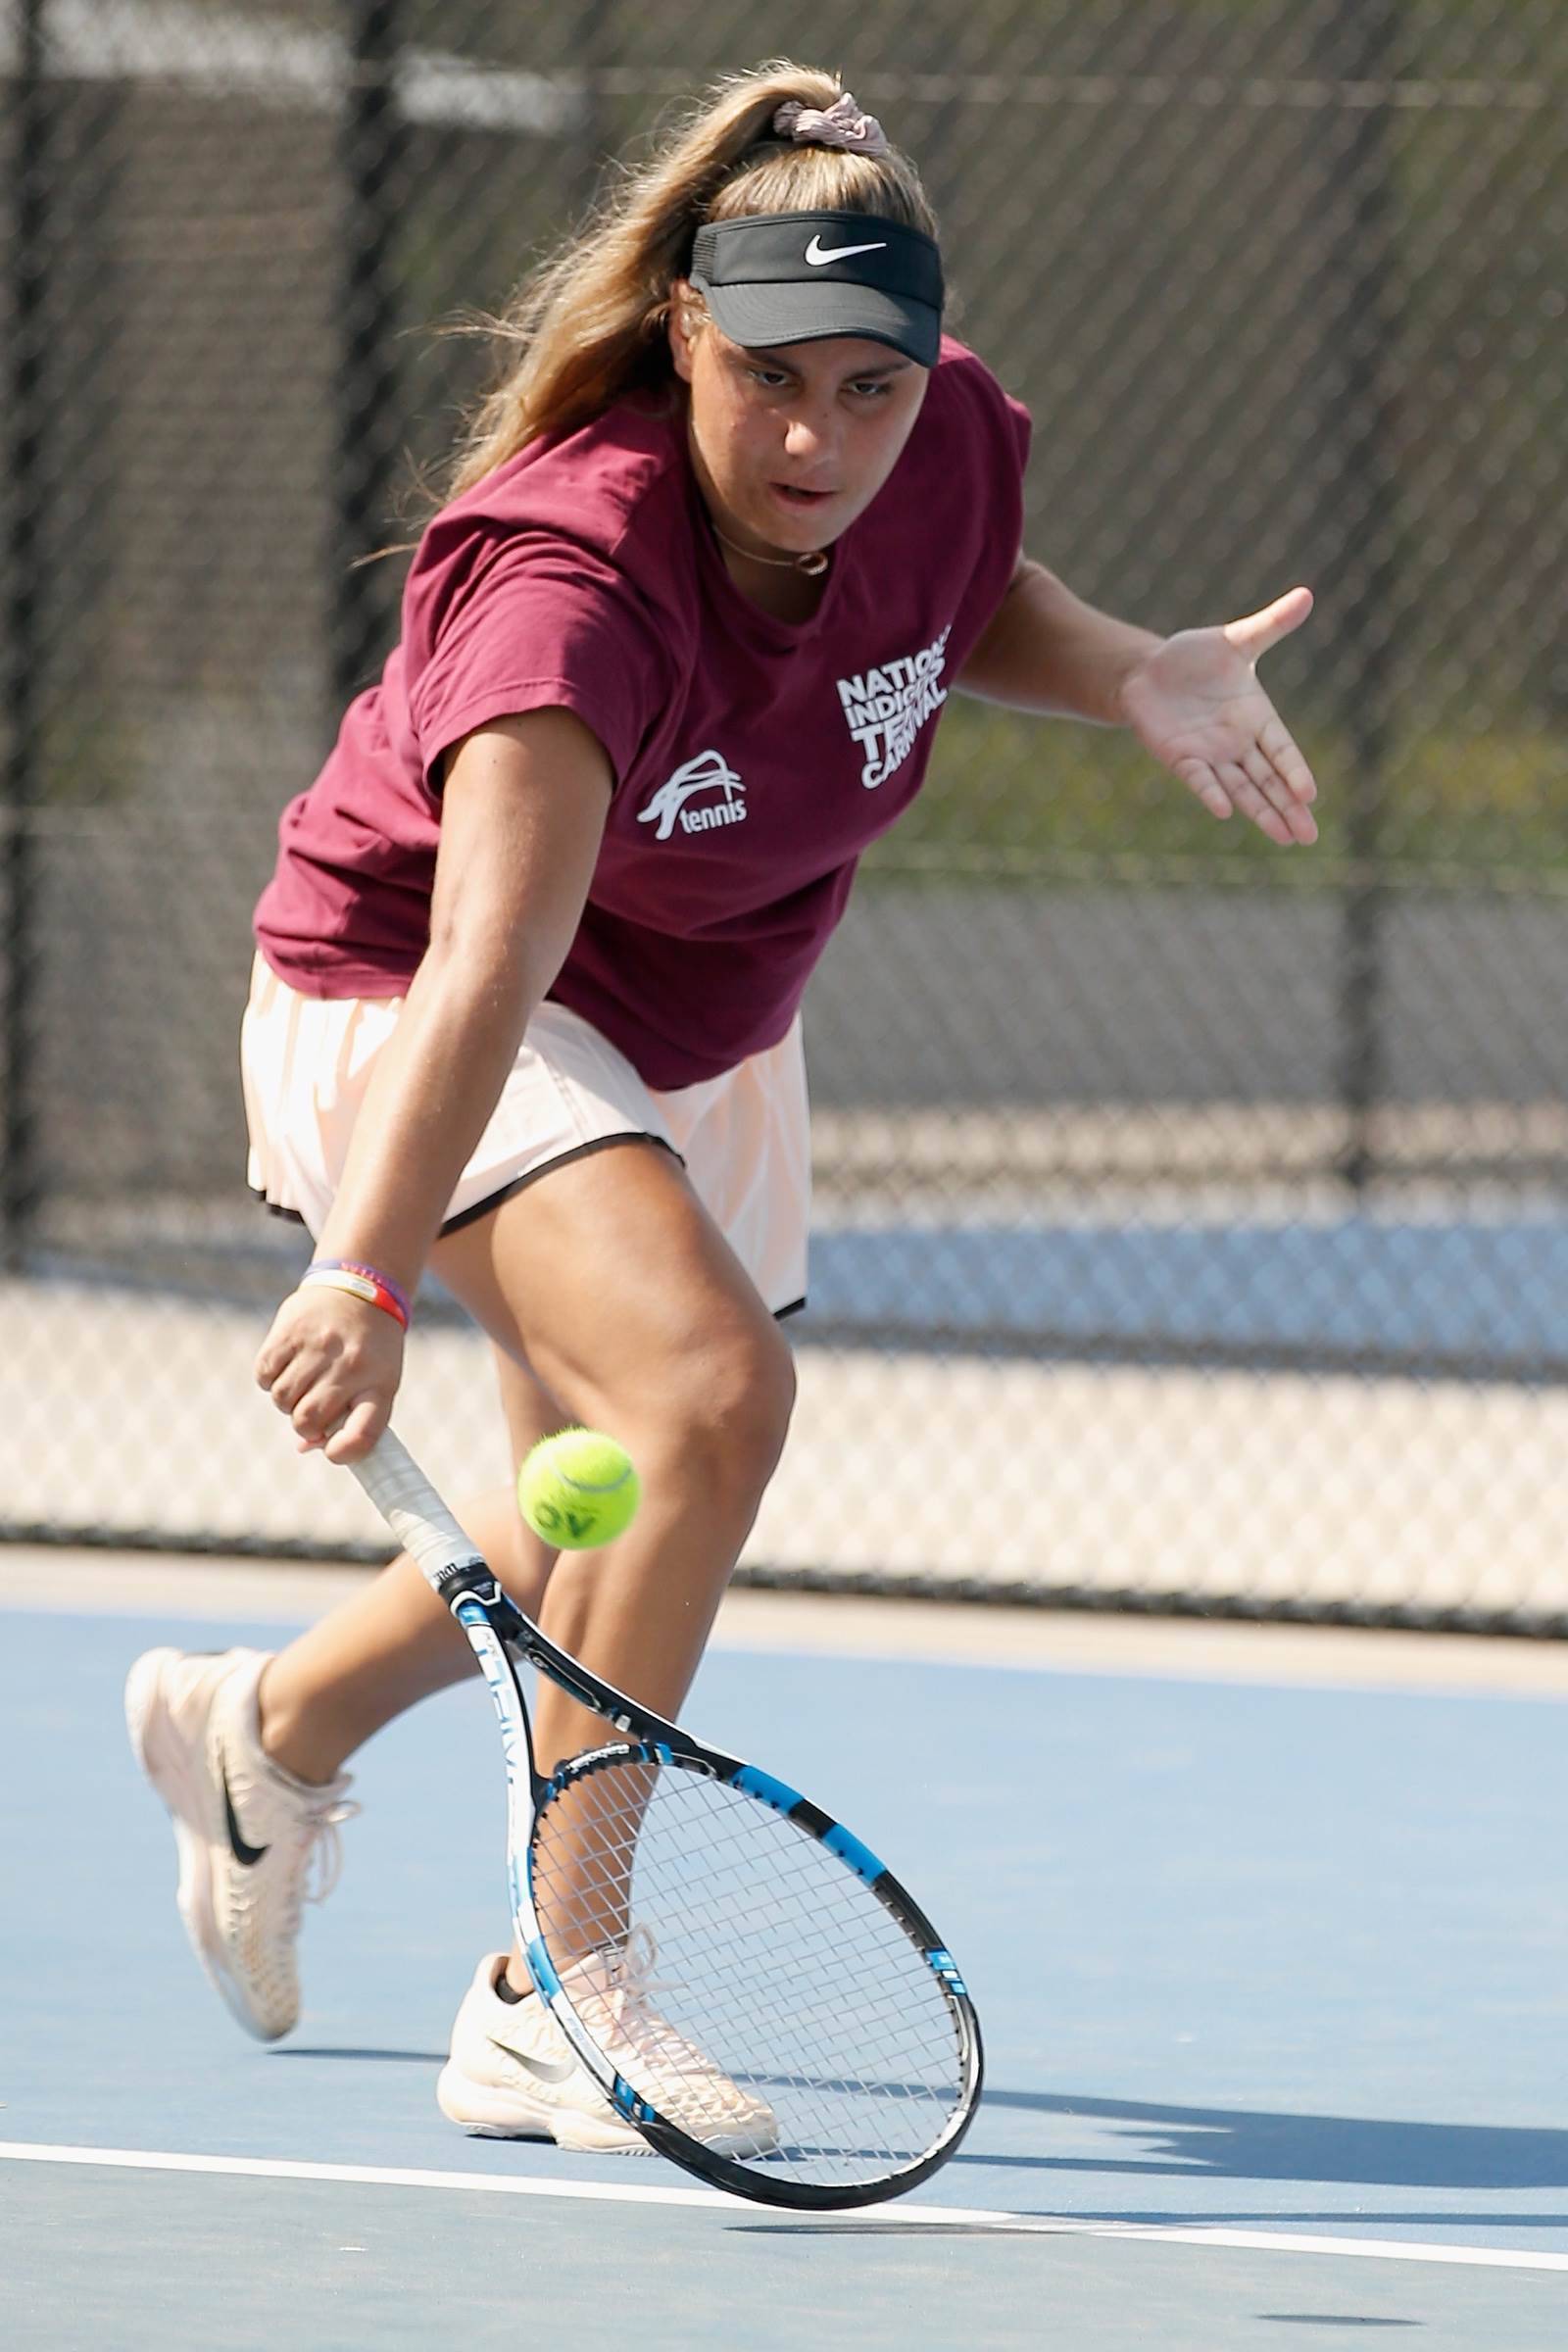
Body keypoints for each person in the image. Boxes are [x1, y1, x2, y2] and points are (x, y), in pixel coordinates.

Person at [124, 62, 1318, 2155]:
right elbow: (483, 971)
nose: (817, 439)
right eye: (771, 378)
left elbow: (945, 605)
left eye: (867, 386)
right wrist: (363, 1269)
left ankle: (270, 1724)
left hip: (697, 1013)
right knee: (702, 1409)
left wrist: (1132, 669)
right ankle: (552, 1983)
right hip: (421, 1005)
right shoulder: (565, 591)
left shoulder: (927, 443)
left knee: (604, 1489)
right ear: (683, 327)